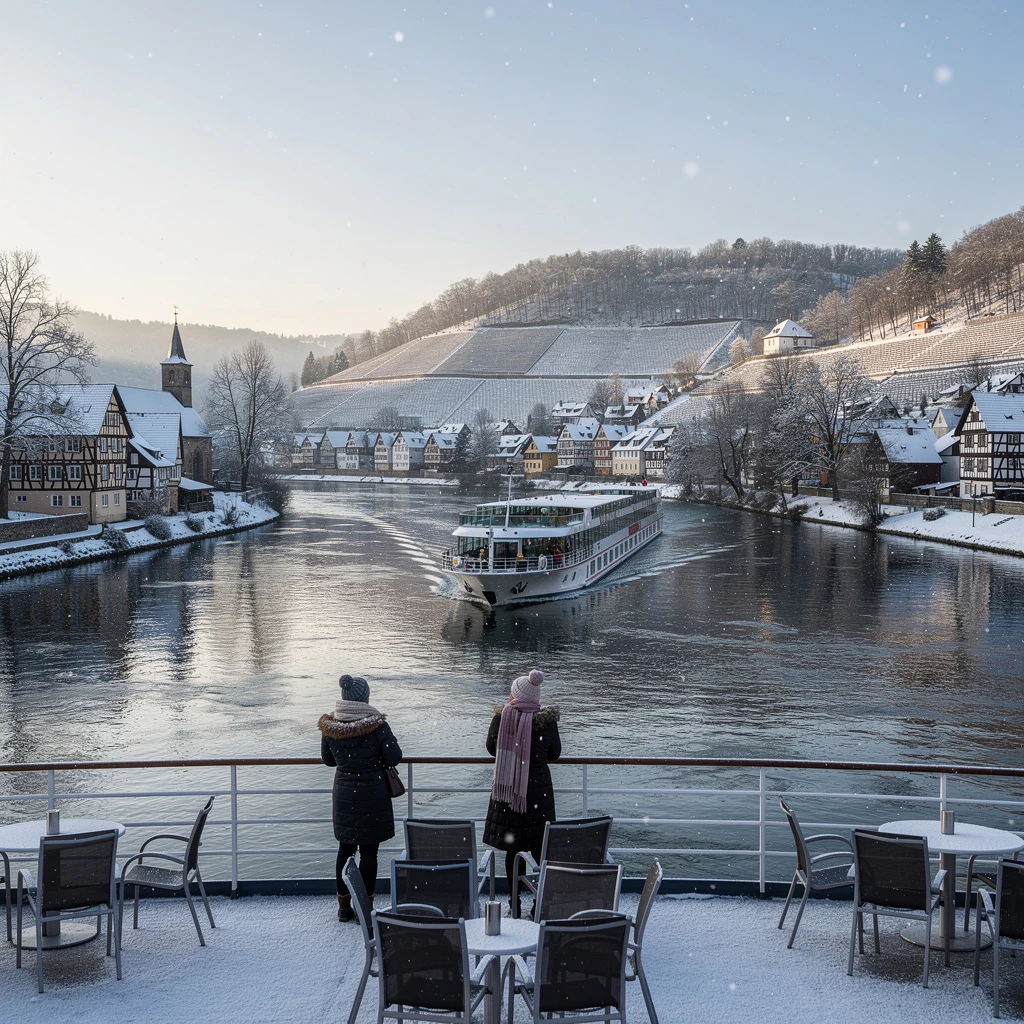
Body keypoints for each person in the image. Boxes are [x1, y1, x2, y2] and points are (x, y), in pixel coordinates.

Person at [319, 674, 402, 922]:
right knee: (369, 853)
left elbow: (328, 760)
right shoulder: (377, 725)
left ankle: (343, 907)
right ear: (365, 698)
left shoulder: (330, 727)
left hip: (344, 794)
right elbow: (394, 757)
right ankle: (365, 909)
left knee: (345, 850)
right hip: (373, 795)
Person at [483, 669, 561, 916]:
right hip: (537, 794)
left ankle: (514, 904)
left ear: (515, 695)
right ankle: (538, 904)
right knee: (539, 850)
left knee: (512, 850)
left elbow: (491, 747)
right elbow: (555, 753)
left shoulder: (503, 718)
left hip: (508, 793)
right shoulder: (546, 722)